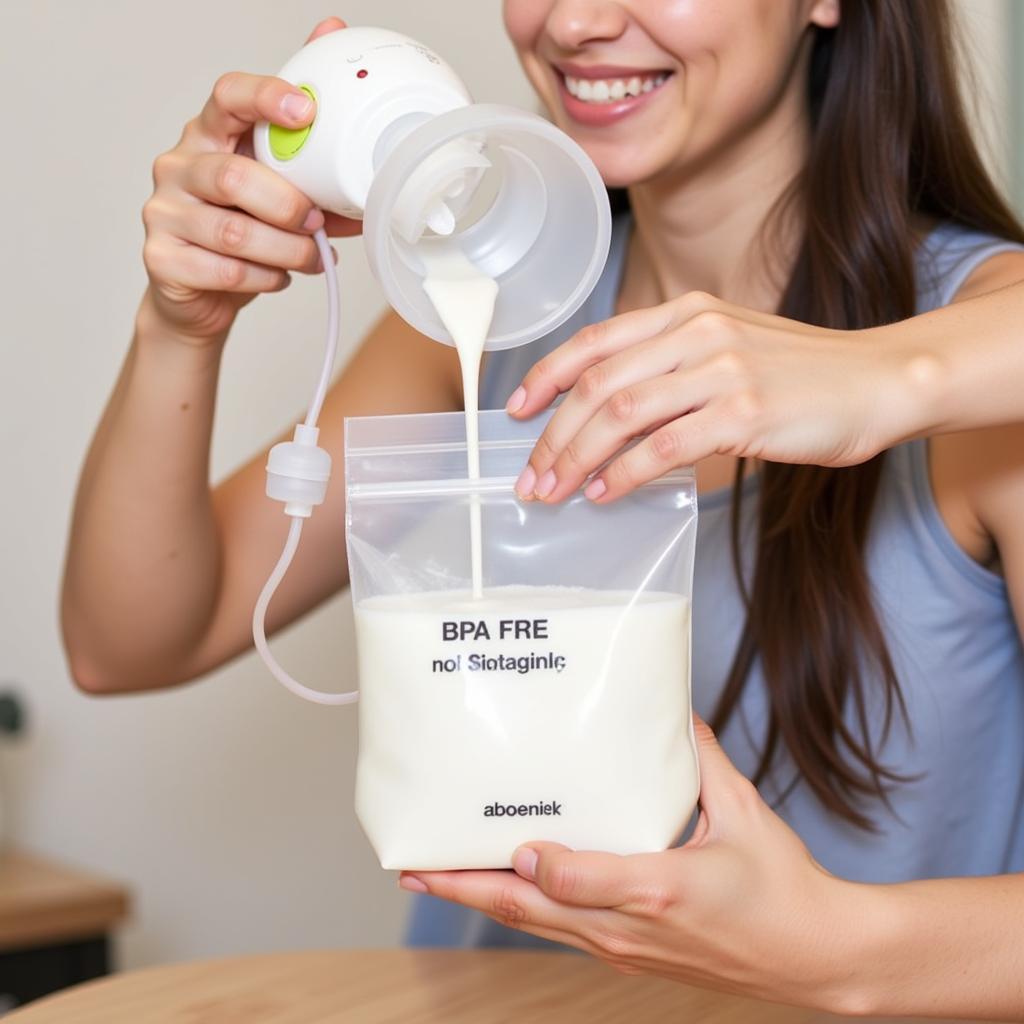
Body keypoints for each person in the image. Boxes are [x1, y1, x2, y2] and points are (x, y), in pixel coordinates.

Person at [61, 2, 1024, 1016]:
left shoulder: (978, 372)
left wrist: (828, 950)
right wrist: (181, 323)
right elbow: (129, 643)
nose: (575, 20)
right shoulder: (481, 309)